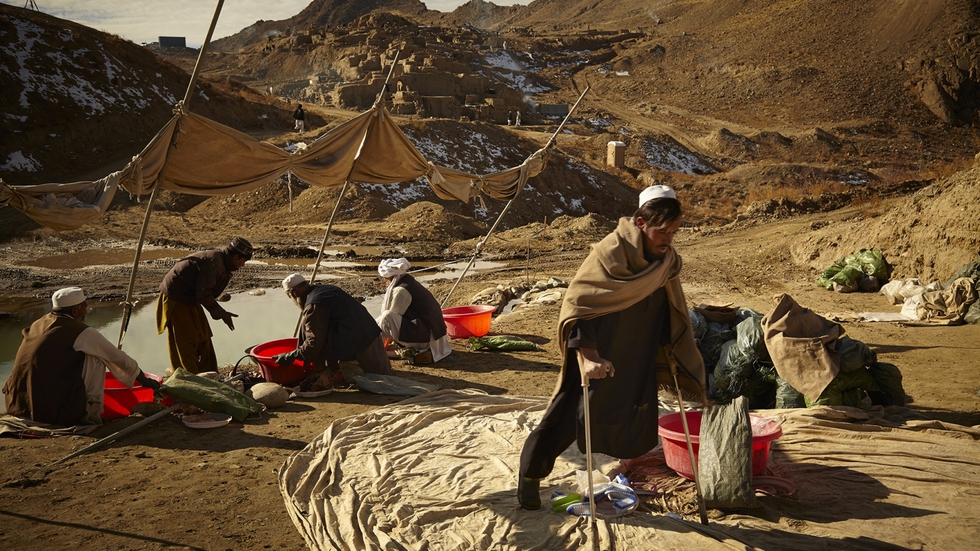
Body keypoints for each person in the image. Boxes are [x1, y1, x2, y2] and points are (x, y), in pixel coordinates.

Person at [516, 184, 707, 509]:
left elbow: (668, 303)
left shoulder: (665, 260)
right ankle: (530, 476)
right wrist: (588, 356)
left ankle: (614, 462)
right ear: (641, 223)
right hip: (599, 350)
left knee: (629, 410)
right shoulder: (609, 254)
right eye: (662, 231)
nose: (668, 239)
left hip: (639, 349)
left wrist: (670, 345)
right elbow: (579, 306)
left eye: (674, 232)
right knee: (567, 415)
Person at [3, 287, 159, 426]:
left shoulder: (39, 323)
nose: (86, 311)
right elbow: (116, 357)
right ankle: (90, 415)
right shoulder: (81, 332)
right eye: (85, 307)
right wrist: (143, 379)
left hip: (18, 404)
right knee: (97, 358)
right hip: (51, 412)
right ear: (75, 311)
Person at [276, 274, 391, 390]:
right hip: (370, 336)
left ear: (294, 293)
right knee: (307, 328)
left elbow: (313, 344)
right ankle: (331, 368)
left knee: (312, 341)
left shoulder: (314, 304)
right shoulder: (325, 290)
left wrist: (290, 356)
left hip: (361, 346)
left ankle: (326, 372)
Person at [156, 237, 252, 375]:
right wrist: (222, 313)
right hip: (176, 298)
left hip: (191, 298)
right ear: (236, 256)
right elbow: (203, 294)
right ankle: (190, 378)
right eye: (243, 261)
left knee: (203, 335)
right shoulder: (215, 264)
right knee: (187, 340)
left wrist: (220, 313)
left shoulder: (221, 262)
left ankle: (209, 373)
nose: (243, 265)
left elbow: (203, 294)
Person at [375, 258, 451, 364]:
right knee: (382, 320)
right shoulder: (409, 282)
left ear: (388, 277)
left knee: (386, 317)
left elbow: (390, 320)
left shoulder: (401, 290)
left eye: (385, 279)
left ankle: (376, 350)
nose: (385, 282)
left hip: (428, 340)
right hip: (432, 335)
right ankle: (379, 347)